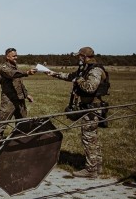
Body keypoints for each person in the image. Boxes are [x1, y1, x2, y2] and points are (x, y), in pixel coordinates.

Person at [46, 46, 110, 178]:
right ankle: (97, 166)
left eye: (79, 56)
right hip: (88, 106)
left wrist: (79, 80)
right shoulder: (85, 68)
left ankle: (91, 169)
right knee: (92, 137)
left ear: (85, 57)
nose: (78, 59)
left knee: (88, 138)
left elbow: (90, 88)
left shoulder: (95, 70)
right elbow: (71, 76)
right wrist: (54, 74)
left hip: (92, 108)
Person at [0, 47, 36, 156]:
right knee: (2, 123)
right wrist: (27, 72)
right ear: (7, 57)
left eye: (16, 55)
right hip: (8, 100)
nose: (16, 57)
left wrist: (27, 95)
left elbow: (20, 84)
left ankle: (19, 144)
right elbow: (13, 74)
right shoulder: (3, 68)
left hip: (20, 99)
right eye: (13, 56)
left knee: (22, 123)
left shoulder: (16, 67)